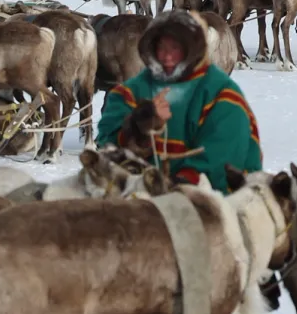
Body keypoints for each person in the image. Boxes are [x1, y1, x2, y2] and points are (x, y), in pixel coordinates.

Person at [95, 13, 261, 191]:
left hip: (212, 204)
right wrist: (140, 125)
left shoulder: (222, 95)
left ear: (191, 49)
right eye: (161, 48)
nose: (167, 57)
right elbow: (106, 150)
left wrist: (181, 183)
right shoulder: (128, 94)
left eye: (175, 48)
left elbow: (227, 154)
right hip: (139, 202)